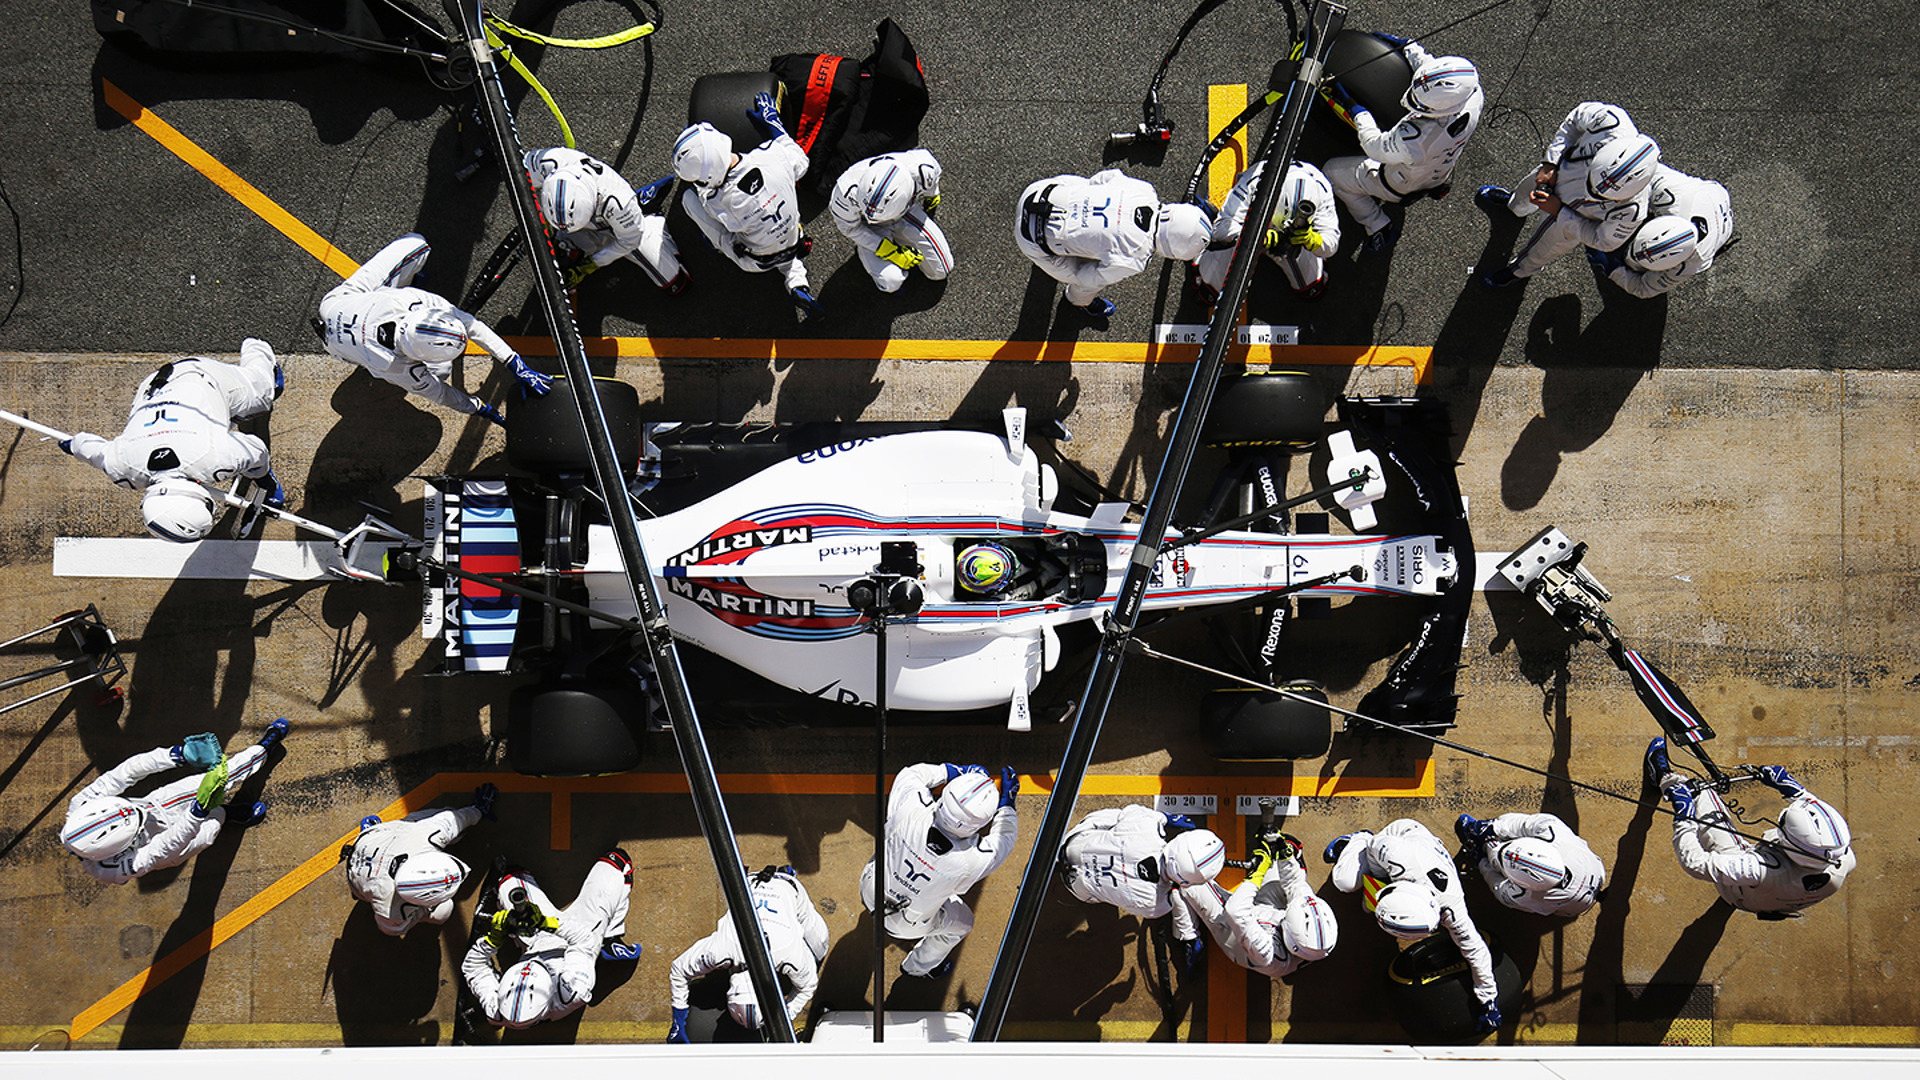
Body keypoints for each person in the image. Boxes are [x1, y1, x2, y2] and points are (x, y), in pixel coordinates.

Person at [60, 339, 285, 542]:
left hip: (202, 376)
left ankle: (256, 347)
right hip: (154, 385)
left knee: (263, 395)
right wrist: (71, 445)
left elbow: (257, 451)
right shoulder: (121, 469)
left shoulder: (217, 459)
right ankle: (232, 415)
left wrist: (264, 479)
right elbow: (89, 449)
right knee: (231, 418)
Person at [317, 233, 552, 426]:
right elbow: (443, 393)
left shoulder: (406, 302)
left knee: (416, 244)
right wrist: (483, 406)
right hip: (343, 329)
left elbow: (471, 328)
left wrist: (513, 365)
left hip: (337, 310)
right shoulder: (398, 367)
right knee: (441, 371)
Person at [60, 720, 289, 884]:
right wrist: (197, 813)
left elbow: (125, 772)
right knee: (210, 829)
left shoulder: (81, 805)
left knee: (226, 775)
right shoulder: (112, 870)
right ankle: (227, 815)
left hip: (157, 804)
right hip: (168, 844)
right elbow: (165, 847)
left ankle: (265, 746)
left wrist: (176, 755)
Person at [1327, 819, 1502, 1034]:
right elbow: (1375, 848)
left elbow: (1475, 950)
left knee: (1367, 905)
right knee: (1344, 881)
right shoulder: (1396, 853)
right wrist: (1377, 877)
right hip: (1400, 834)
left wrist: (1489, 1000)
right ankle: (1357, 838)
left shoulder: (1452, 906)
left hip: (1422, 858)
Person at [1646, 738, 1855, 917]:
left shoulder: (1758, 868)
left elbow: (1694, 864)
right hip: (1778, 900)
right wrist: (1798, 792)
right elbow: (1818, 835)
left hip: (1741, 896)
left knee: (1699, 793)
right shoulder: (1841, 857)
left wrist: (1684, 817)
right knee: (1759, 882)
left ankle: (1665, 778)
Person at [1323, 36, 1483, 253]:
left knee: (1331, 172)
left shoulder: (1415, 138)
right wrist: (1408, 45)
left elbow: (1373, 146)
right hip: (1442, 165)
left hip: (1399, 180)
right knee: (1438, 163)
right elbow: (1430, 69)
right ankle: (1436, 187)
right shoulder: (1472, 93)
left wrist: (1356, 109)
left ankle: (1377, 225)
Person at [1474, 102, 1660, 287]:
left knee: (1541, 251)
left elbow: (1602, 240)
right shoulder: (1611, 121)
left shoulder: (1633, 210)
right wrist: (1551, 163)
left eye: (1601, 195)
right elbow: (1575, 120)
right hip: (1552, 177)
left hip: (1569, 222)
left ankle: (1518, 271)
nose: (1590, 192)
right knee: (1523, 192)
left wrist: (1561, 213)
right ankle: (1514, 207)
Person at [861, 762, 1019, 978]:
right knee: (963, 924)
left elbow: (912, 773)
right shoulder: (973, 860)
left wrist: (955, 771)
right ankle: (917, 968)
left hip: (870, 888)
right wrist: (1007, 804)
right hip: (907, 926)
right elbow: (1005, 839)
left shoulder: (910, 807)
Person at [461, 850, 642, 1029]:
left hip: (535, 943)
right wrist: (546, 922)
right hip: (576, 940)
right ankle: (609, 937)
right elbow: (582, 940)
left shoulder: (498, 1011)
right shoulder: (573, 990)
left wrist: (492, 941)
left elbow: (472, 967)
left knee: (512, 877)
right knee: (618, 862)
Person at [672, 93, 819, 313]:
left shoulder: (717, 202)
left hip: (756, 262)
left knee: (690, 201)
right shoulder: (773, 156)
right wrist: (772, 120)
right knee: (786, 254)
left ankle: (795, 280)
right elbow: (801, 162)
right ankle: (798, 284)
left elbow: (719, 211)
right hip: (792, 238)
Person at [1014, 168, 1213, 318]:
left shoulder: (1145, 191)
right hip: (1029, 238)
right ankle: (1078, 302)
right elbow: (1087, 277)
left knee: (1087, 187)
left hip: (1037, 191)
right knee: (1086, 281)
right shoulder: (1134, 258)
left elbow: (1105, 178)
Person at [666, 864, 830, 1042]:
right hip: (749, 884)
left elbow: (808, 985)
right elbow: (678, 970)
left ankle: (784, 875)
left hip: (788, 889)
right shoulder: (721, 950)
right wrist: (678, 1023)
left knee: (819, 947)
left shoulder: (788, 956)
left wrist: (785, 1018)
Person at [1058, 806, 1223, 971]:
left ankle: (1061, 856)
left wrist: (1165, 818)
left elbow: (1133, 813)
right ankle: (1189, 938)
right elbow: (1171, 894)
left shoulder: (1145, 827)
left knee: (1121, 819)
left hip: (1071, 844)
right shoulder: (1157, 905)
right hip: (1078, 888)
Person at [522, 146, 686, 293]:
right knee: (562, 260)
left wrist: (590, 265)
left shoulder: (618, 204)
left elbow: (629, 242)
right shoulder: (546, 162)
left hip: (616, 227)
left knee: (672, 280)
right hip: (581, 224)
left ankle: (648, 217)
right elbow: (521, 180)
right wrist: (546, 229)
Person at [343, 782, 499, 936]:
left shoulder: (391, 909)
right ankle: (371, 838)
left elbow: (455, 819)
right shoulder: (391, 912)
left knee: (434, 823)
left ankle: (370, 841)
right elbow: (391, 930)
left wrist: (477, 811)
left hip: (365, 852)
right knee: (443, 911)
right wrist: (479, 809)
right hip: (366, 854)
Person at [1180, 833, 1339, 978]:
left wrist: (1257, 873)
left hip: (1233, 932)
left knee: (1183, 876)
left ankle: (1189, 936)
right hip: (1270, 912)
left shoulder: (1267, 954)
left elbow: (1235, 912)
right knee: (1289, 848)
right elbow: (1294, 883)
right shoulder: (1311, 924)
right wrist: (1282, 850)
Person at [1192, 159, 1341, 303]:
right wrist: (1254, 235)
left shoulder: (1320, 190)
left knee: (1313, 290)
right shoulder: (1254, 182)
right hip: (1252, 229)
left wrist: (1313, 240)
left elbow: (1331, 243)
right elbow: (1221, 227)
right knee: (1207, 293)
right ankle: (1202, 251)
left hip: (1292, 241)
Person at [1586, 165, 1735, 298]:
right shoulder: (1668, 192)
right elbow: (1642, 168)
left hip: (1722, 224)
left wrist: (1614, 270)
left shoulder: (1691, 262)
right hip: (1709, 193)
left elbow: (1643, 289)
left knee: (1633, 268)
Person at [828, 149, 952, 294]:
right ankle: (869, 250)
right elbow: (849, 228)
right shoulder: (844, 193)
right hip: (868, 227)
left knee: (941, 270)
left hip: (905, 214)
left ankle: (899, 240)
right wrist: (889, 251)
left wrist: (932, 195)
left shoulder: (924, 169)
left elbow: (932, 184)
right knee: (890, 282)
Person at [1455, 811, 1607, 918]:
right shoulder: (1554, 831)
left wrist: (1481, 860)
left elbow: (1498, 886)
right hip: (1593, 873)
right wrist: (1492, 827)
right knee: (1517, 825)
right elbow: (1525, 824)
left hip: (1574, 905)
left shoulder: (1525, 896)